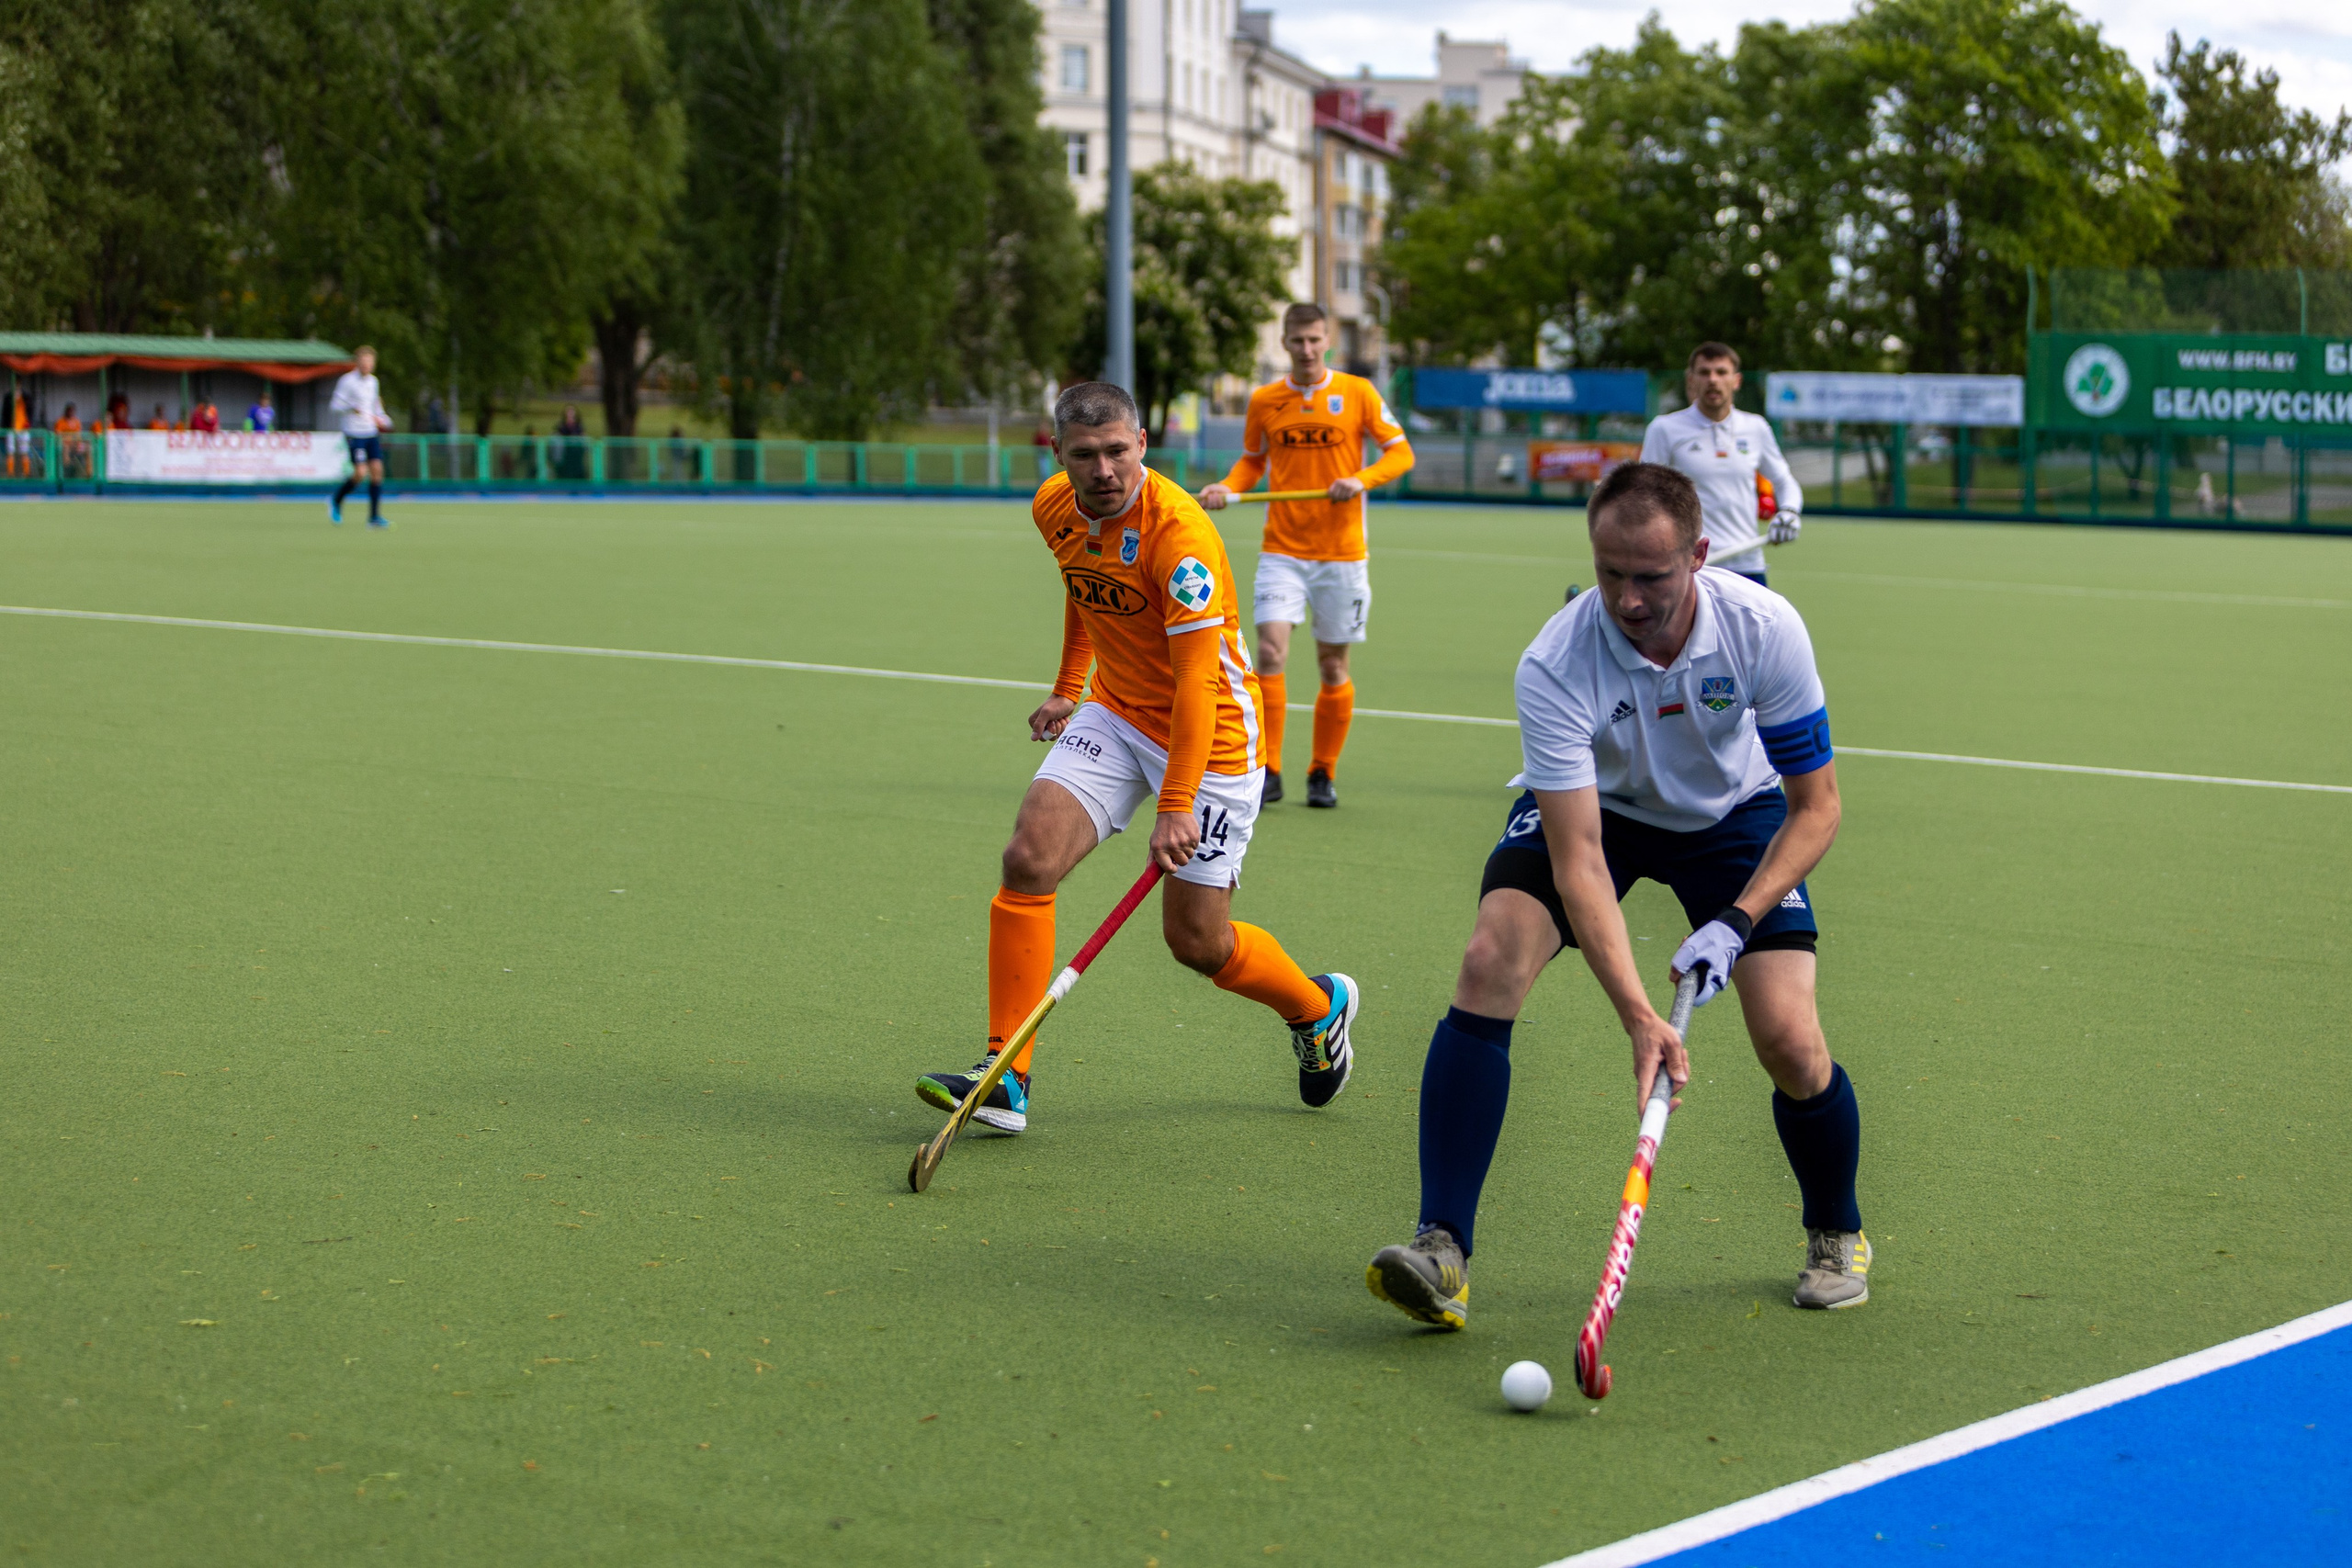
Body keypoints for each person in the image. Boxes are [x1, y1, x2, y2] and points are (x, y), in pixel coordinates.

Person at [1364, 461, 1866, 1332]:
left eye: (1652, 577)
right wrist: (1640, 1014)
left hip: (1735, 814)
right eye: (1610, 573)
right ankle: (1441, 1246)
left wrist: (1737, 920)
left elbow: (1816, 807)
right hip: (1603, 811)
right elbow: (1581, 861)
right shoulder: (1557, 662)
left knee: (1789, 1037)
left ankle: (1837, 1230)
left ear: (1699, 555)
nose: (1629, 600)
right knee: (1489, 958)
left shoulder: (1763, 628)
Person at [914, 381, 1360, 1135]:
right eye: (1085, 455)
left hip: (1212, 734)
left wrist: (1177, 803)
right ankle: (1005, 1077)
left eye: (1118, 451)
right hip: (1117, 711)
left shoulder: (1180, 538)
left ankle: (1318, 1007)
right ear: (1058, 453)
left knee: (1197, 941)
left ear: (1143, 444)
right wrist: (1069, 687)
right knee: (1028, 857)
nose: (1104, 470)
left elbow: (1198, 684)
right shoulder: (1054, 506)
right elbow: (1084, 585)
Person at [1199, 303, 1415, 810]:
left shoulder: (1358, 393)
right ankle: (1269, 769)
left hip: (1342, 554)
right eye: (1297, 341)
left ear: (1328, 340)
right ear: (1284, 343)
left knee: (1332, 663)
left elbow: (1401, 453)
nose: (1307, 349)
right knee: (1270, 653)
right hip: (1283, 550)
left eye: (1315, 339)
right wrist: (1227, 487)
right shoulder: (1265, 400)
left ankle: (1322, 771)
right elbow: (1252, 462)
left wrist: (1359, 480)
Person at [1639, 343, 1802, 586]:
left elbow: (1783, 480)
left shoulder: (1755, 427)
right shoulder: (1664, 429)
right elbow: (1644, 495)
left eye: (1721, 372)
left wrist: (1789, 512)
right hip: (1692, 567)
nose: (1713, 380)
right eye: (1704, 373)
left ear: (1736, 380)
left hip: (1748, 565)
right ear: (1691, 380)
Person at [328, 346, 393, 527]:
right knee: (360, 473)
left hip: (370, 432)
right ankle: (336, 499)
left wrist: (383, 418)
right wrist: (350, 408)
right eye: (363, 362)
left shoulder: (373, 382)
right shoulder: (347, 381)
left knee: (377, 470)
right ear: (357, 362)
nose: (366, 365)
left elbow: (375, 406)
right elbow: (334, 406)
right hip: (354, 433)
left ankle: (374, 517)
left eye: (369, 362)